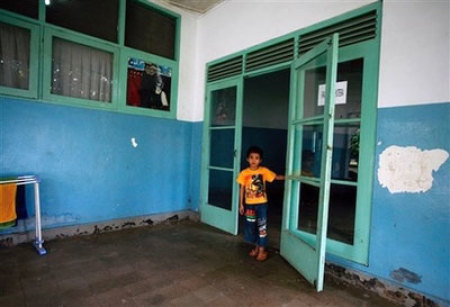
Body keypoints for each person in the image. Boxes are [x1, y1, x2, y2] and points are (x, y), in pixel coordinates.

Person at [237, 146, 285, 261]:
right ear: (247, 159)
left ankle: (262, 251)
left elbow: (275, 177)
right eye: (252, 157)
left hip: (262, 204)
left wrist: (289, 177)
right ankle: (257, 247)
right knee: (251, 227)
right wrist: (241, 204)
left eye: (257, 158)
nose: (254, 160)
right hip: (249, 205)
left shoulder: (263, 171)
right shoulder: (244, 173)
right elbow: (241, 188)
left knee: (261, 227)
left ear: (260, 160)